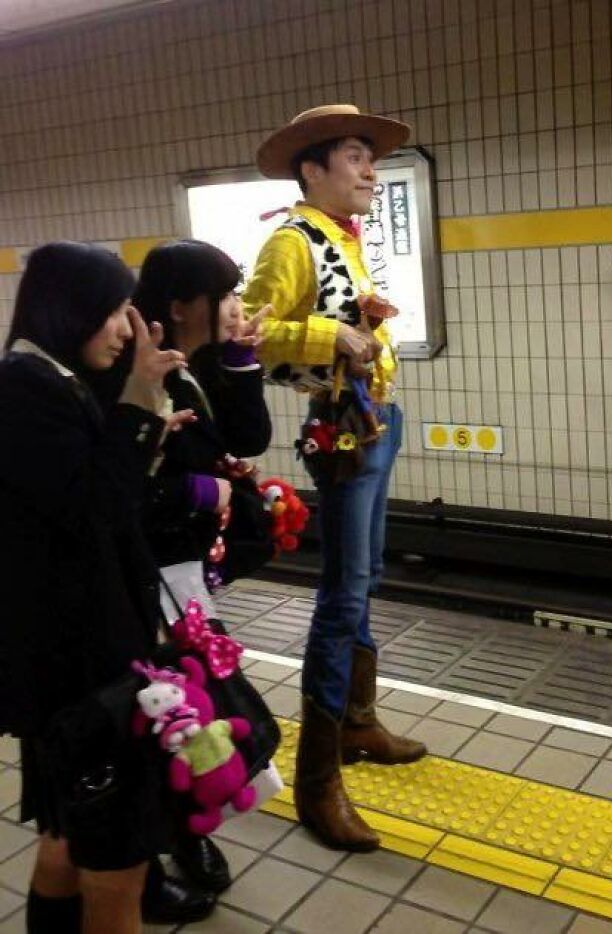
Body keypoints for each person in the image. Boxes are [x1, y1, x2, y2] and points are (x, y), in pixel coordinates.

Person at [243, 104, 427, 853]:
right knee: (342, 593)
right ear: (312, 169)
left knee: (369, 574)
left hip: (377, 419)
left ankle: (356, 722)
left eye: (370, 158)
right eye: (355, 156)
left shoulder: (341, 238)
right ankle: (319, 780)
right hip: (341, 431)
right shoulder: (291, 241)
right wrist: (333, 332)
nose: (369, 171)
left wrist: (365, 323)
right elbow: (246, 332)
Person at [0, 242, 189, 934]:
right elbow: (93, 508)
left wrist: (146, 422)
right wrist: (139, 404)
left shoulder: (51, 379)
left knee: (66, 843)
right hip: (80, 673)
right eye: (114, 310)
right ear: (70, 307)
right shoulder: (23, 389)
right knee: (117, 871)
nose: (124, 326)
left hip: (72, 667)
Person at [122, 239, 272, 917]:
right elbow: (126, 484)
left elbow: (250, 438)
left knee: (193, 710)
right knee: (167, 715)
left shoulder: (196, 367)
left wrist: (241, 360)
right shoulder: (136, 373)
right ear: (181, 306)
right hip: (146, 579)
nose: (235, 308)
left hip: (186, 574)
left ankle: (184, 830)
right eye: (225, 297)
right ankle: (154, 854)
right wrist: (206, 492)